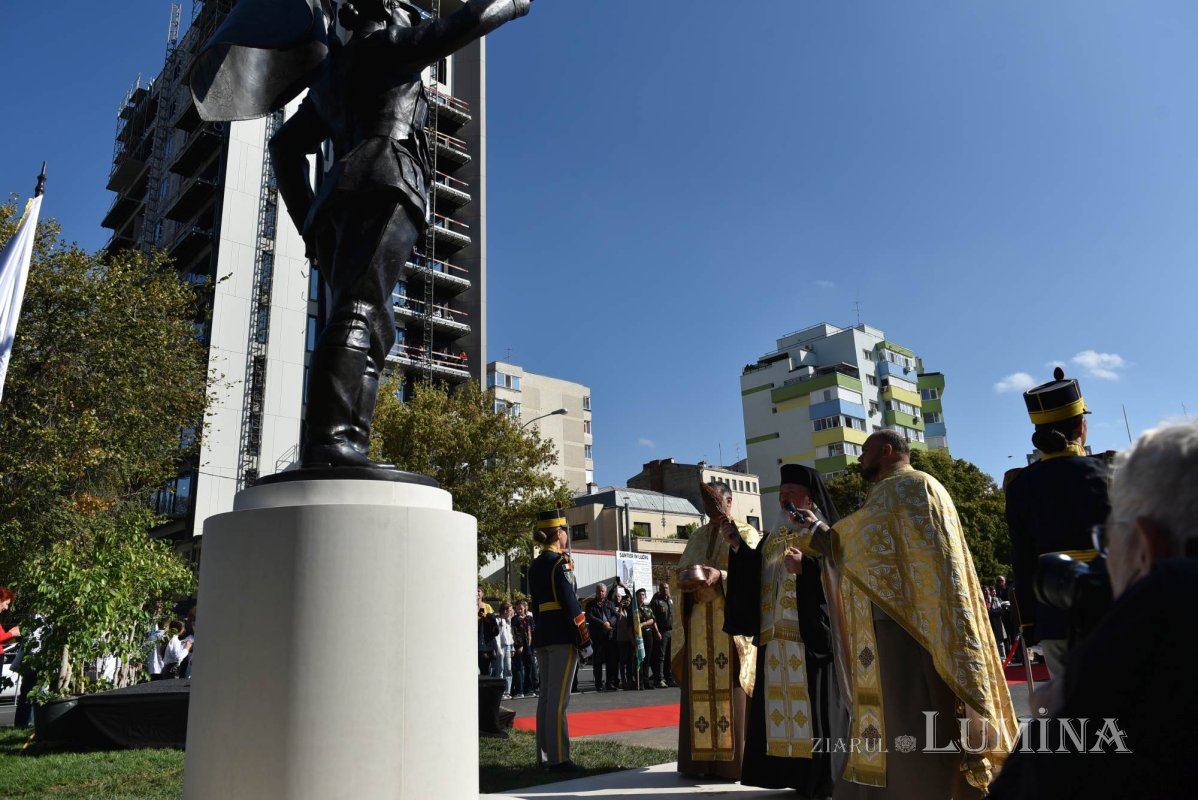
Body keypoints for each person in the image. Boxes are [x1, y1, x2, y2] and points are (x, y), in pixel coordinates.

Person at [259, 0, 534, 468]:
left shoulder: (329, 76)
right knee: (360, 313)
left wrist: (309, 219)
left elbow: (284, 147)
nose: (418, 21)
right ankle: (331, 442)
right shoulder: (386, 47)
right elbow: (469, 20)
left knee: (377, 327)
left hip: (341, 196)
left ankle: (349, 445)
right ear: (387, 12)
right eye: (410, 11)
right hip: (386, 181)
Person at [787, 431, 1017, 798]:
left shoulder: (908, 487)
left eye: (864, 452)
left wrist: (818, 531)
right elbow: (868, 544)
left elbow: (856, 543)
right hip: (906, 618)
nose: (859, 460)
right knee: (903, 713)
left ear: (887, 450)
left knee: (909, 711)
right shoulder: (903, 491)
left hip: (906, 624)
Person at [989, 422, 1198, 799]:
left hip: (1060, 610)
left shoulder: (1023, 484)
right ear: (1080, 426)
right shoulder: (1102, 471)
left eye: (1108, 542)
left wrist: (1058, 720)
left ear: (1148, 547)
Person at [724, 464, 850, 797]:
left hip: (809, 638)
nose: (784, 501)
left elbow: (844, 570)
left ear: (809, 497)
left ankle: (821, 778)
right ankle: (790, 775)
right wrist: (738, 547)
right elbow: (756, 573)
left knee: (814, 711)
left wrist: (807, 568)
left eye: (790, 495)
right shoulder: (775, 535)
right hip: (774, 639)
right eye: (781, 496)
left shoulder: (822, 531)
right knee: (777, 712)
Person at [1005, 368, 1111, 676]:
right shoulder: (1109, 471)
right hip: (1113, 608)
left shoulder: (1019, 484)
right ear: (1082, 426)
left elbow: (1022, 559)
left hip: (1054, 616)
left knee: (1074, 715)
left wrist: (1029, 622)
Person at [671, 481, 761, 779]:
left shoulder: (745, 532)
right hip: (698, 624)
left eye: (716, 503)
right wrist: (684, 581)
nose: (712, 511)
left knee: (728, 689)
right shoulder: (697, 535)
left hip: (729, 628)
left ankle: (731, 764)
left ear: (729, 501)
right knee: (699, 690)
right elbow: (680, 572)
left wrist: (719, 576)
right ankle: (698, 763)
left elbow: (753, 573)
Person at [529, 509, 591, 771]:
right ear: (558, 533)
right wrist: (584, 640)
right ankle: (558, 759)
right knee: (558, 700)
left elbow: (536, 604)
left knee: (545, 698)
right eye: (565, 530)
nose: (567, 534)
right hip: (562, 638)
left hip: (543, 633)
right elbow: (570, 605)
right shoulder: (560, 563)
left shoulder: (535, 564)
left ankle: (544, 756)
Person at [585, 583, 619, 691]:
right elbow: (590, 617)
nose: (601, 593)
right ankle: (598, 684)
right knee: (598, 662)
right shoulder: (590, 605)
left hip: (609, 636)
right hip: (597, 637)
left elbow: (615, 615)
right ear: (596, 592)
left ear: (605, 592)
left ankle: (610, 683)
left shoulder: (610, 603)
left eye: (603, 591)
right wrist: (602, 624)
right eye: (599, 591)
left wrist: (609, 623)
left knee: (610, 661)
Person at [649, 581, 675, 688]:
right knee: (661, 656)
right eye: (663, 588)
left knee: (669, 656)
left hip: (670, 631)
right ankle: (659, 679)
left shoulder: (670, 600)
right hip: (661, 632)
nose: (665, 589)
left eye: (667, 588)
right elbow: (652, 618)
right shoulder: (656, 602)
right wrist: (657, 632)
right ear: (659, 589)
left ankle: (669, 678)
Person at [634, 588, 660, 689]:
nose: (641, 597)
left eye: (643, 595)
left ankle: (646, 681)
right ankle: (639, 682)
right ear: (636, 597)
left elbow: (653, 620)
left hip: (648, 634)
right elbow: (630, 626)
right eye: (640, 595)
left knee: (647, 658)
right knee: (639, 659)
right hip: (638, 635)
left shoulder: (648, 608)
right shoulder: (634, 609)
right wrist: (633, 640)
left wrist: (644, 623)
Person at [511, 599, 536, 698]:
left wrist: (534, 644)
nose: (519, 610)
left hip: (529, 646)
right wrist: (519, 645)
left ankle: (529, 689)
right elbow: (515, 633)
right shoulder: (515, 619)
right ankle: (519, 690)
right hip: (520, 646)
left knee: (529, 668)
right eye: (517, 609)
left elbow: (533, 630)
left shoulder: (529, 618)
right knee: (518, 668)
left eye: (521, 608)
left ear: (526, 608)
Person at [494, 602, 514, 698]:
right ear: (505, 611)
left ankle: (507, 691)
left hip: (508, 645)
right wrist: (498, 649)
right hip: (501, 646)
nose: (511, 612)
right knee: (500, 668)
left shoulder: (508, 620)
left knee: (508, 668)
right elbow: (497, 636)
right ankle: (500, 691)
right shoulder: (498, 620)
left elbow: (510, 635)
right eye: (510, 610)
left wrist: (512, 647)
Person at [477, 587, 499, 675]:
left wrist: (485, 617)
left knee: (485, 666)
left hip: (484, 641)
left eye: (478, 591)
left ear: (482, 594)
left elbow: (493, 623)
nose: (476, 593)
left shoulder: (487, 607)